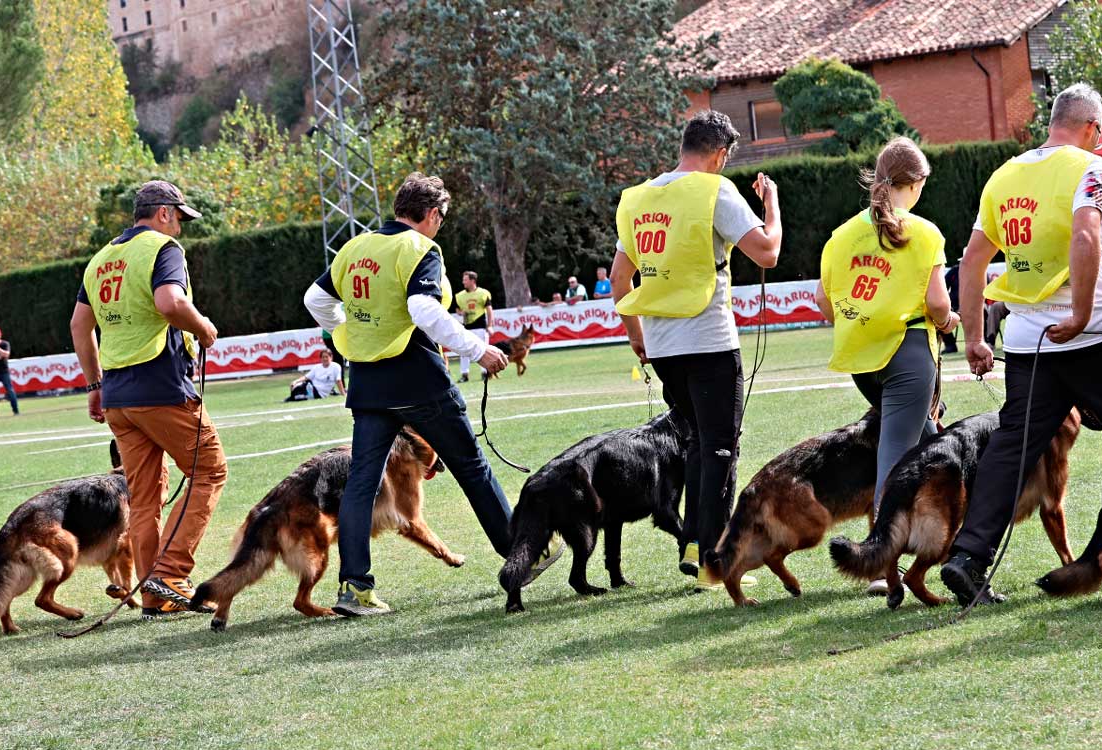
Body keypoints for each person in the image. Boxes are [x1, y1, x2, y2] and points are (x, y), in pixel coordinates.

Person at [939, 83, 1102, 606]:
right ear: (1091, 127)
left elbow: (972, 259)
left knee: (1010, 449)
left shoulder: (1006, 174)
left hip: (1028, 341)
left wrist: (976, 337)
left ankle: (968, 556)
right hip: (1092, 331)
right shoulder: (1090, 167)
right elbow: (1087, 237)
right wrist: (1083, 313)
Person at [302, 172, 557, 617]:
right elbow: (423, 308)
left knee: (362, 481)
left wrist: (348, 329)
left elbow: (314, 300)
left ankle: (355, 588)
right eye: (442, 216)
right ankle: (522, 555)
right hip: (416, 378)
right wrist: (478, 349)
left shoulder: (356, 247)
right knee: (472, 468)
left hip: (367, 381)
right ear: (433, 213)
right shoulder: (420, 249)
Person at [610, 109, 782, 592]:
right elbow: (768, 251)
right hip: (708, 340)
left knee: (695, 443)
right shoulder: (716, 190)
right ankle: (711, 558)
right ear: (722, 154)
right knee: (722, 447)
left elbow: (620, 278)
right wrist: (772, 204)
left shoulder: (639, 199)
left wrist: (636, 334)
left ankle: (693, 541)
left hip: (663, 345)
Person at [68, 180, 227, 621]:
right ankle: (172, 574)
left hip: (118, 395)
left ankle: (155, 600)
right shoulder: (163, 249)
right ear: (162, 213)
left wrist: (94, 385)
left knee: (143, 499)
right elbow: (170, 301)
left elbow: (80, 327)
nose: (179, 227)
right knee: (209, 470)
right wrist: (203, 328)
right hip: (160, 385)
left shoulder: (101, 259)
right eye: (178, 218)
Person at [814, 136, 956, 596]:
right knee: (895, 456)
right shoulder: (926, 232)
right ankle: (880, 564)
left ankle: (952, 538)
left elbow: (825, 304)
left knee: (934, 444)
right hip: (908, 352)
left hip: (862, 358)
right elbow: (937, 302)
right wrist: (948, 319)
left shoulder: (841, 235)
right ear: (913, 185)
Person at [453, 271, 494, 383]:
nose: (463, 282)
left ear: (473, 281)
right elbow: (457, 309)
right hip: (467, 327)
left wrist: (490, 325)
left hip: (481, 326)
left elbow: (489, 310)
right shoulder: (460, 295)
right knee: (464, 351)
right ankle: (464, 374)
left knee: (483, 350)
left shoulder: (483, 293)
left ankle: (485, 373)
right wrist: (461, 313)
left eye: (465, 279)